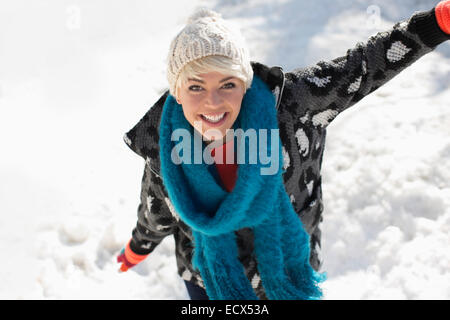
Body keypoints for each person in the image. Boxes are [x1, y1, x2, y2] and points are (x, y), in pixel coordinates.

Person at [117, 2, 450, 300]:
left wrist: (437, 23)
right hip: (210, 282)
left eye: (227, 84)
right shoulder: (164, 152)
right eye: (195, 87)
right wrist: (137, 247)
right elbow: (155, 210)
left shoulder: (292, 107)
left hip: (288, 271)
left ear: (245, 83)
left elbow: (361, 67)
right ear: (176, 91)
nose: (212, 102)